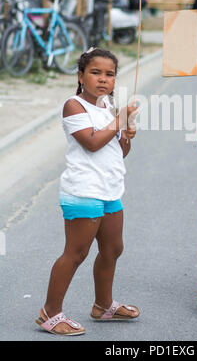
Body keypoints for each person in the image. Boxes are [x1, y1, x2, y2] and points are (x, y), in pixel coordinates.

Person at [36, 48, 140, 336]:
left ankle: (103, 306)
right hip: (83, 190)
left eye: (109, 74)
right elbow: (91, 143)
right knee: (77, 252)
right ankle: (50, 312)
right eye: (96, 73)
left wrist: (127, 134)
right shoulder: (74, 105)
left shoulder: (108, 108)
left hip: (109, 189)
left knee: (112, 248)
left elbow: (119, 152)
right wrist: (119, 121)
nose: (103, 79)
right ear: (81, 76)